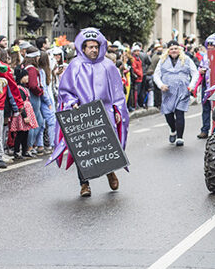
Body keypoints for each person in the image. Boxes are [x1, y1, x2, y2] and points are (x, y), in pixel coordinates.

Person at [48, 28, 130, 197]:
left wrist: (117, 109)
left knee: (106, 147)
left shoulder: (108, 66)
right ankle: (84, 184)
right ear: (83, 48)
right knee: (81, 150)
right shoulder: (75, 66)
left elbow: (117, 91)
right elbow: (65, 90)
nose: (93, 50)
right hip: (82, 114)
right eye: (89, 47)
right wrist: (72, 103)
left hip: (105, 112)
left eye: (96, 46)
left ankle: (110, 172)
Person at [154, 40, 199, 146]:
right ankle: (173, 129)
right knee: (168, 114)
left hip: (182, 91)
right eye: (171, 49)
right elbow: (156, 75)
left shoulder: (187, 59)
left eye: (175, 49)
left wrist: (191, 85)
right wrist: (161, 85)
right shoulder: (162, 60)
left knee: (180, 113)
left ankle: (180, 137)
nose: (174, 51)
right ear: (168, 51)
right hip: (168, 91)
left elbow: (195, 73)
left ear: (179, 50)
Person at [10, 68, 38, 159]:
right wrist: (25, 115)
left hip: (26, 110)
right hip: (23, 112)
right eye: (25, 76)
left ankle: (24, 150)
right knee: (20, 133)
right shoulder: (19, 89)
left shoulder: (24, 88)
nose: (27, 77)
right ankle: (17, 151)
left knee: (25, 132)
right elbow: (20, 103)